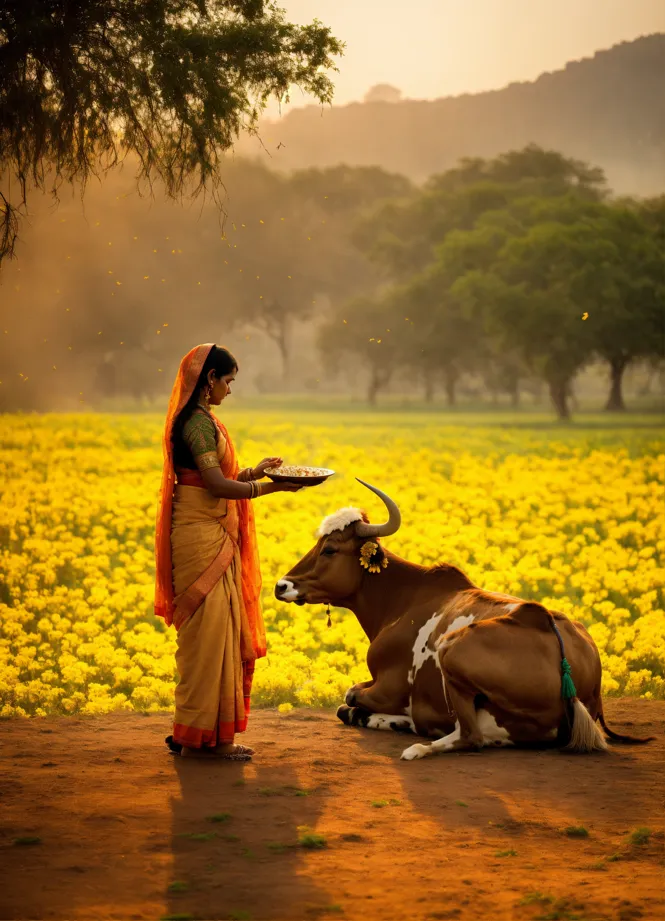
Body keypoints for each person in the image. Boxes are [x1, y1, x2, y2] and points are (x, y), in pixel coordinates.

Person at [155, 343, 304, 761]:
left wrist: (255, 472)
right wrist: (272, 488)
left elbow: (218, 478)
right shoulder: (197, 425)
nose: (229, 390)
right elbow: (217, 487)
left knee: (218, 633)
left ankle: (200, 737)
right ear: (209, 381)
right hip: (199, 535)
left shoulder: (205, 421)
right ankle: (200, 738)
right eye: (228, 381)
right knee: (207, 637)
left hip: (210, 531)